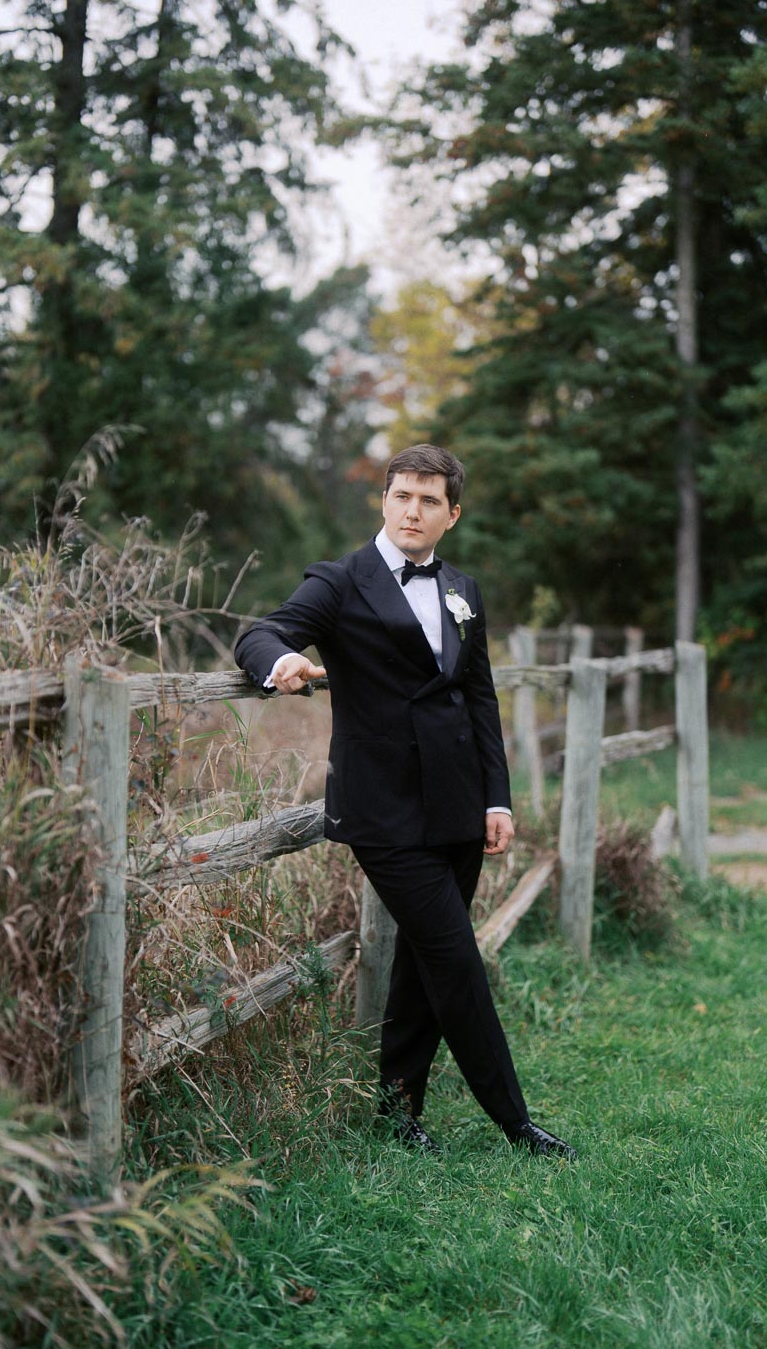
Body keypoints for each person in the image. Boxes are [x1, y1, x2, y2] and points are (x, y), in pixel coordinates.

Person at [235, 444, 575, 1158]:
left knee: (425, 964)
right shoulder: (339, 582)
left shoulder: (463, 590)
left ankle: (397, 1114)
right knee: (455, 959)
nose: (412, 510)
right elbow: (260, 631)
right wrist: (282, 661)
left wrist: (498, 798)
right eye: (401, 496)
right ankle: (516, 1124)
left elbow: (479, 698)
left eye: (428, 500)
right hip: (384, 811)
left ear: (452, 514)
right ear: (384, 502)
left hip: (459, 807)